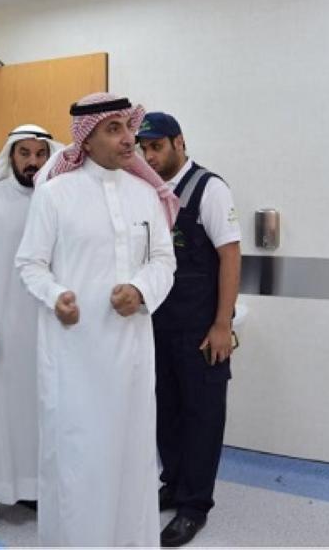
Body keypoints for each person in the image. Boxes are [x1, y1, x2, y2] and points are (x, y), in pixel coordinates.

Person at [15, 92, 178, 547]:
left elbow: (164, 260)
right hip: (75, 359)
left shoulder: (145, 195)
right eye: (114, 129)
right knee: (79, 460)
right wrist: (56, 296)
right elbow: (30, 263)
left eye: (129, 127)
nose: (129, 139)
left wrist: (141, 290)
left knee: (131, 456)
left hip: (131, 355)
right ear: (85, 140)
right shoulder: (55, 195)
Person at [137, 112, 241, 547]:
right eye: (144, 148)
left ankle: (194, 506)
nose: (149, 156)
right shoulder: (147, 190)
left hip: (201, 329)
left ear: (179, 143)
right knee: (166, 411)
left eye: (156, 147)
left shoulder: (209, 189)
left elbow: (231, 256)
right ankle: (174, 484)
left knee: (202, 416)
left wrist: (222, 324)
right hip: (159, 325)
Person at [0, 124, 63, 533]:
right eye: (25, 154)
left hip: (45, 327)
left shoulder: (55, 198)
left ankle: (32, 488)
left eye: (40, 154)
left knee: (37, 411)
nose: (33, 162)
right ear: (11, 156)